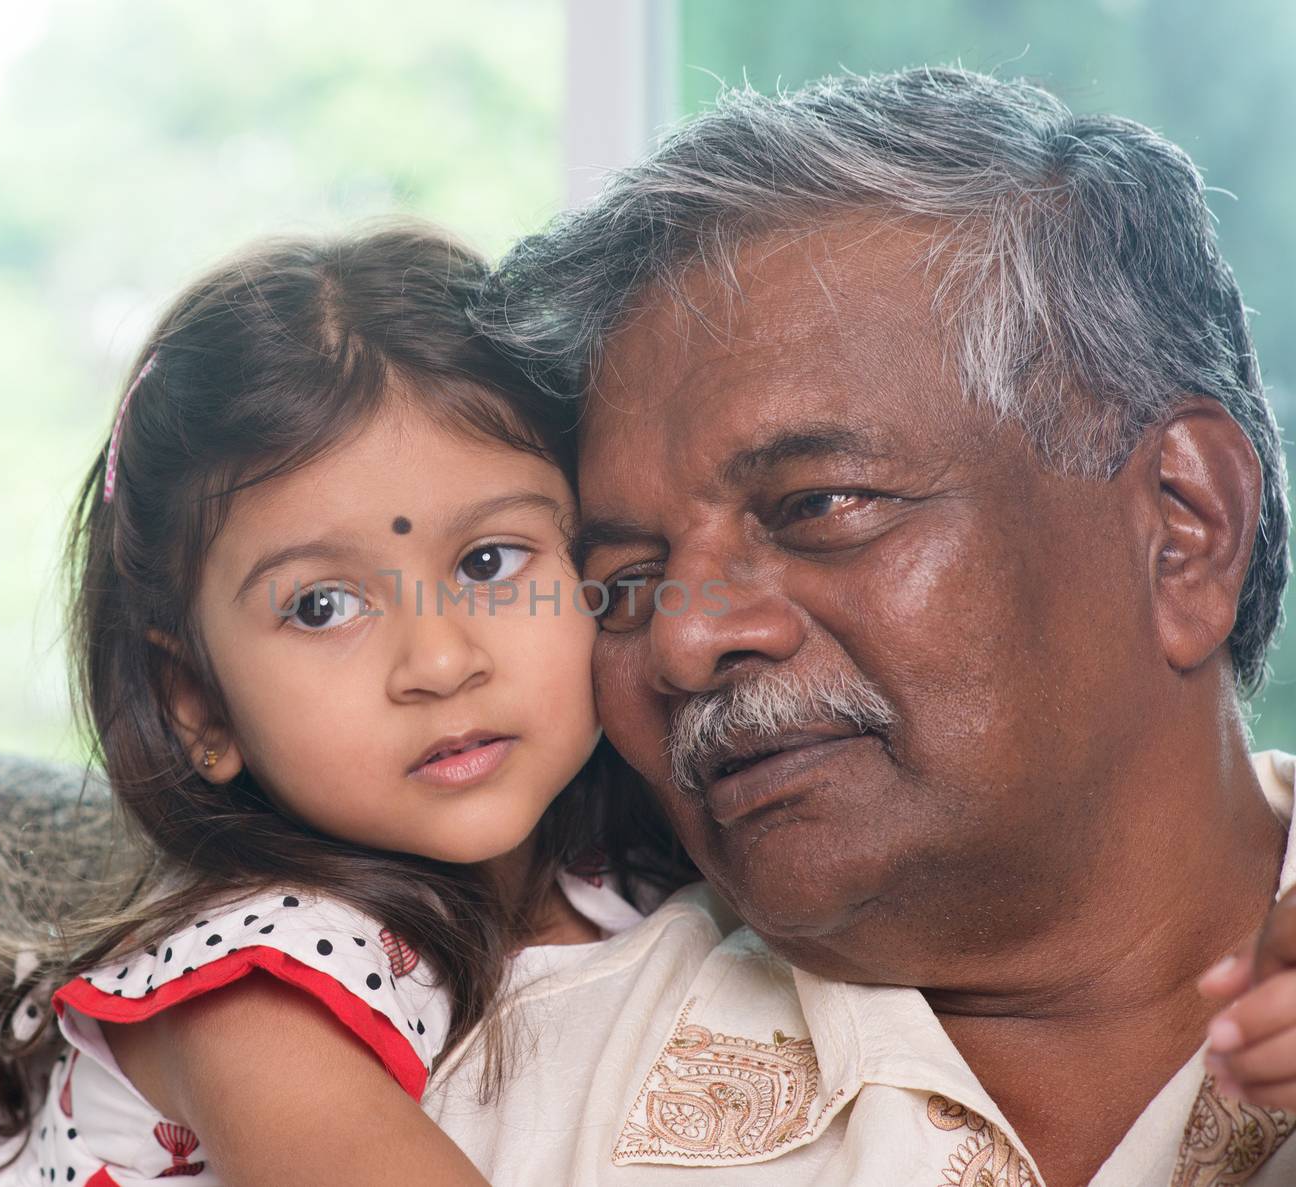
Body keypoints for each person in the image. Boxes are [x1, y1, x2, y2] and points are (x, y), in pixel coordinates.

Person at [415, 68, 1296, 1185]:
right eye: (627, 584)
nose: (685, 643)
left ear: (1183, 524)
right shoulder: (477, 1114)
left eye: (818, 505)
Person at [0, 225, 693, 1187]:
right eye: (322, 606)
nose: (439, 660)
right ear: (199, 705)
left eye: (489, 561)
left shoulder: (635, 873)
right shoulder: (266, 983)